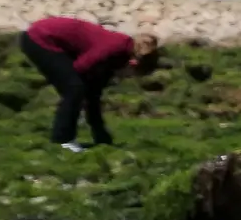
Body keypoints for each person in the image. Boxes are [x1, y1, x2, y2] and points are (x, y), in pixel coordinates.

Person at [19, 17, 161, 150]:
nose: (126, 77)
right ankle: (63, 140)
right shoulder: (115, 47)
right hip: (40, 38)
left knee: (82, 91)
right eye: (132, 74)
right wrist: (78, 102)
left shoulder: (117, 57)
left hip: (49, 39)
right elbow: (80, 67)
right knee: (74, 88)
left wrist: (101, 136)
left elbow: (94, 96)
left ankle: (74, 136)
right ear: (133, 63)